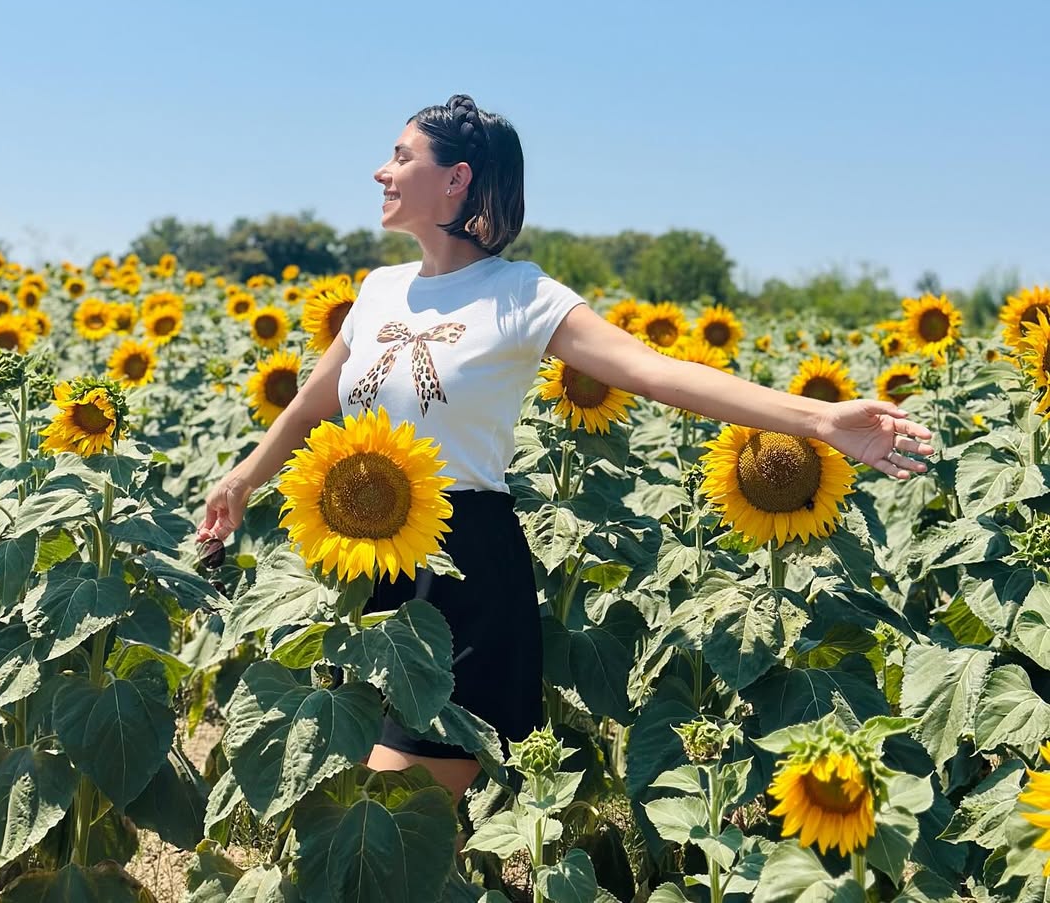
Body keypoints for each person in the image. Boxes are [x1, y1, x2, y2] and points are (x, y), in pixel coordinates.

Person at [197, 92, 934, 804]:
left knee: (397, 810)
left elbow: (658, 373)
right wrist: (242, 480)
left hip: (464, 576)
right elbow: (308, 405)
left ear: (457, 180)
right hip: (362, 570)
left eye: (400, 155)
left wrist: (820, 420)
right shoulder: (379, 291)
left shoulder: (522, 296)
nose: (380, 171)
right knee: (378, 822)